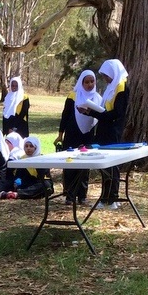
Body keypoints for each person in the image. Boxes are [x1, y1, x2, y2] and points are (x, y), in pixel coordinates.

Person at [79, 59, 129, 210]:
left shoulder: (121, 88)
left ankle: (111, 198)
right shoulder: (111, 88)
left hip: (113, 131)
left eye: (106, 75)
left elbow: (117, 113)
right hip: (104, 129)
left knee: (112, 165)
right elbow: (105, 112)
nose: (105, 79)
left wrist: (93, 113)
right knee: (105, 167)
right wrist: (91, 112)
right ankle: (105, 197)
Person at [54, 70, 102, 205]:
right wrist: (60, 134)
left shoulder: (98, 98)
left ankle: (82, 196)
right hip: (72, 133)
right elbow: (65, 115)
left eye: (92, 81)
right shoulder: (73, 96)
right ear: (81, 83)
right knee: (70, 163)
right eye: (86, 82)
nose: (89, 84)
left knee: (85, 165)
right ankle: (69, 195)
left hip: (88, 135)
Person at [0, 136, 53, 200]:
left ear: (36, 147)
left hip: (35, 184)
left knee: (45, 186)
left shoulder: (42, 159)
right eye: (26, 146)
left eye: (31, 146)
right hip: (23, 183)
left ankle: (15, 194)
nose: (28, 148)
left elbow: (45, 178)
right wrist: (17, 181)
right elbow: (17, 176)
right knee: (4, 182)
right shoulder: (22, 159)